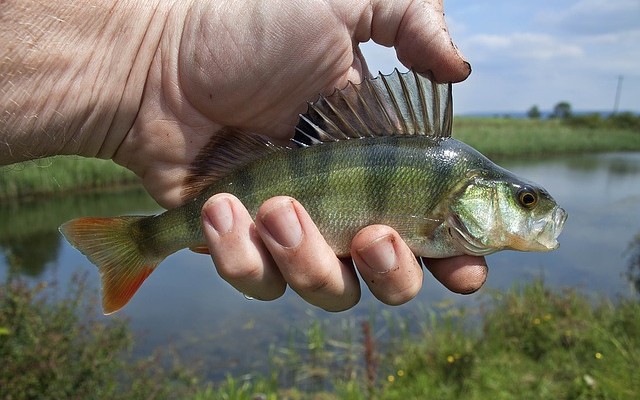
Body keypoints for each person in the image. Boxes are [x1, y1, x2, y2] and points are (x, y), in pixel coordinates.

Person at [0, 0, 487, 311]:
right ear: (476, 194)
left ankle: (144, 242)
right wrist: (150, 55)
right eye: (524, 201)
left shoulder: (446, 162)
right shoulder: (445, 168)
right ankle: (142, 242)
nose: (537, 209)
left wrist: (147, 59)